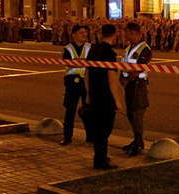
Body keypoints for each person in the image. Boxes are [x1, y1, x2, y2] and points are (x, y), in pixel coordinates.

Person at [85, 24, 126, 170]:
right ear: (115, 34)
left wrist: (88, 94)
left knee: (98, 128)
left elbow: (87, 73)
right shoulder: (110, 53)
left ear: (101, 34)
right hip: (105, 96)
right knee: (105, 130)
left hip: (94, 94)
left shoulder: (93, 50)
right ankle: (100, 160)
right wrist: (118, 101)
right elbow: (112, 80)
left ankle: (100, 156)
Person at [120, 22, 153, 156]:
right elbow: (124, 64)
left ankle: (139, 143)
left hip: (138, 85)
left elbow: (140, 67)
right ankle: (136, 140)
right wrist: (122, 78)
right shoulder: (129, 48)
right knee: (130, 113)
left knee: (137, 113)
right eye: (126, 33)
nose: (127, 36)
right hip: (129, 85)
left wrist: (127, 79)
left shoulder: (145, 49)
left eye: (129, 33)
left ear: (137, 34)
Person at [61, 25, 92, 145]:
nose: (84, 34)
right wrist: (85, 62)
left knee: (88, 110)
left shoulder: (90, 47)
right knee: (70, 110)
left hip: (87, 82)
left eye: (85, 32)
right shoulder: (68, 48)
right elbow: (69, 63)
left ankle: (90, 137)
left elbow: (92, 63)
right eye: (81, 32)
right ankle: (67, 137)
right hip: (72, 82)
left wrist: (78, 62)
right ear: (74, 35)